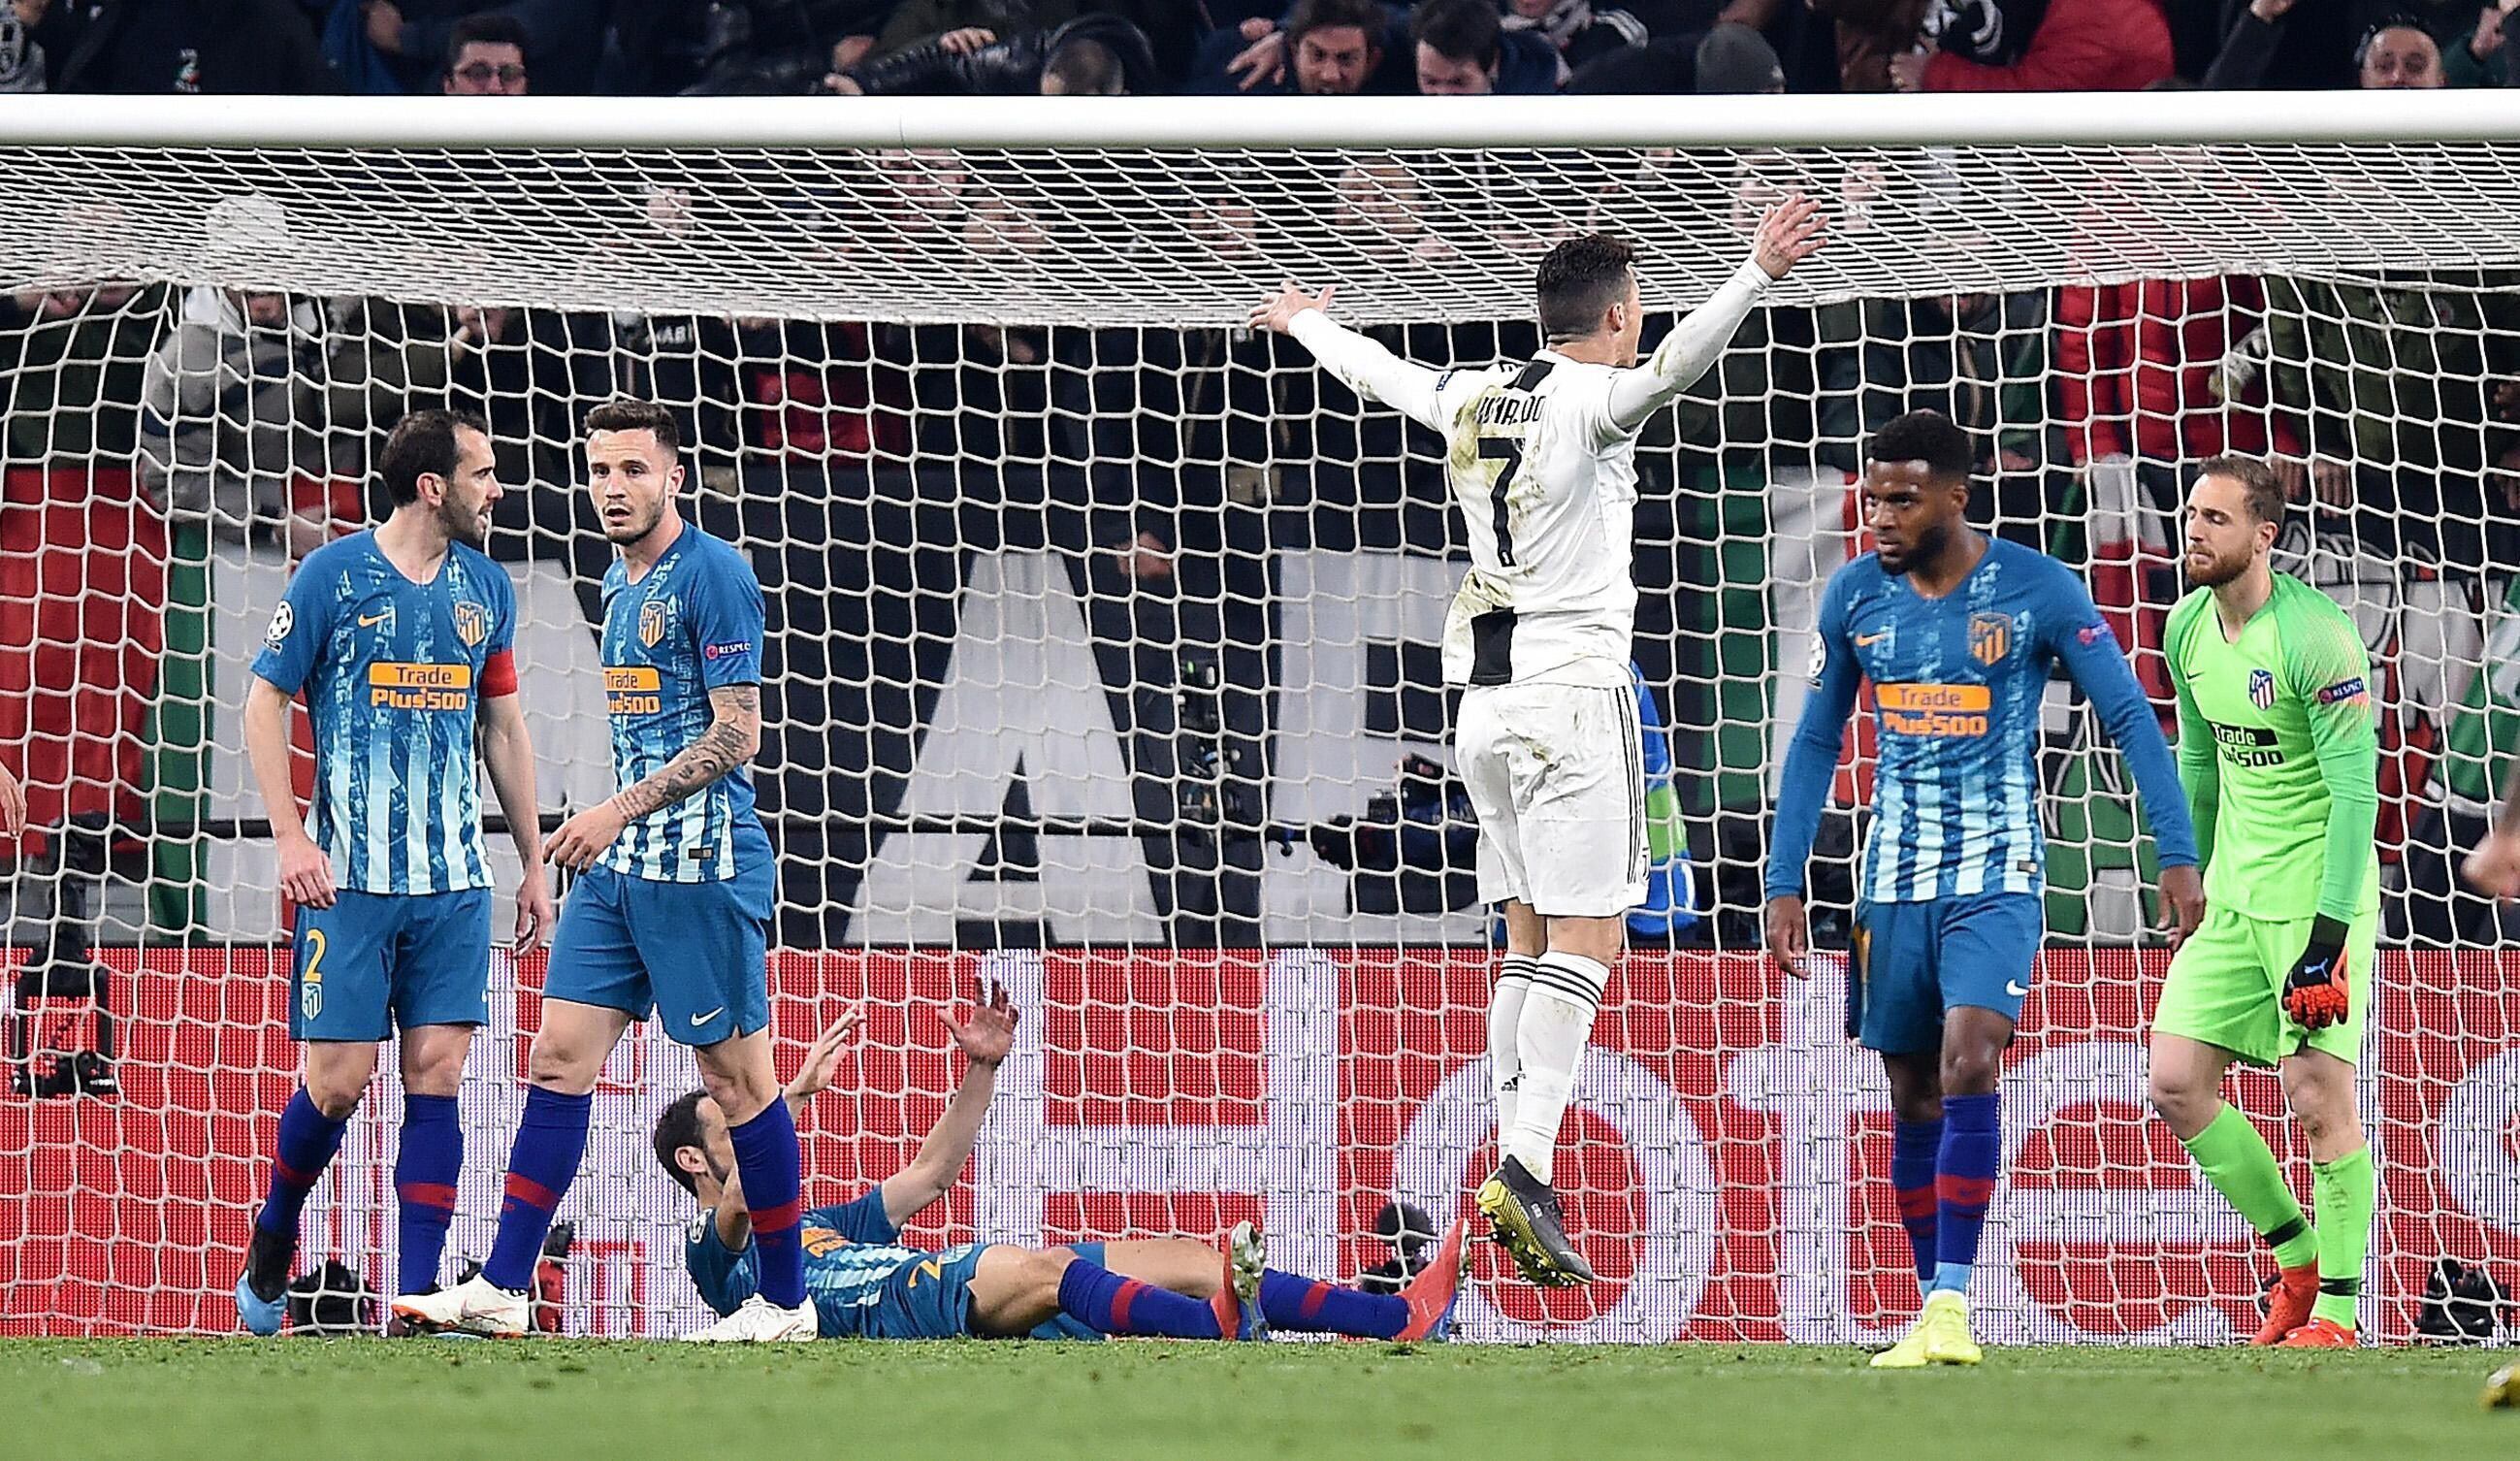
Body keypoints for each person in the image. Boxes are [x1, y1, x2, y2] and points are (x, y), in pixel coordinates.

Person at [1251, 199, 1826, 1287]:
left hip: (1480, 706)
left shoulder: (1477, 394)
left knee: (1525, 935)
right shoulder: (1595, 402)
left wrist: (1308, 325)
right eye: (1640, 315)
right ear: (1616, 318)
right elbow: (1673, 375)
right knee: (1592, 939)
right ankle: (1523, 1165)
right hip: (1571, 698)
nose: (1645, 332)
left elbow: (1387, 377)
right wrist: (1752, 273)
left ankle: (1514, 1167)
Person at [1763, 408, 2205, 1369]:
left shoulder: (2036, 588)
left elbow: (2127, 713)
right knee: (1912, 1092)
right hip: (1889, 886)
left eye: (1901, 499)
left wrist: (2176, 852)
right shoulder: (1855, 600)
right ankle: (1932, 1309)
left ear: (1955, 499)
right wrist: (1784, 876)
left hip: (1998, 876)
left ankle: (1954, 1307)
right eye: (1871, 496)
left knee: (1971, 1061)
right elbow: (1813, 741)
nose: (1879, 515)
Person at [392, 398, 802, 1342]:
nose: (614, 489)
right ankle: (503, 1284)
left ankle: (787, 1303)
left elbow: (738, 733)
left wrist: (614, 807)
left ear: (675, 479)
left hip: (700, 865)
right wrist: (611, 827)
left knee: (738, 1085)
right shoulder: (620, 585)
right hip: (621, 875)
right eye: (601, 472)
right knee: (557, 1060)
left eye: (634, 472)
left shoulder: (715, 577)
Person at [233, 409, 551, 1335]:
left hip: (453, 881)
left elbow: (503, 728)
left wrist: (532, 863)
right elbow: (263, 703)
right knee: (336, 1082)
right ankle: (274, 1231)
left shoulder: (486, 588)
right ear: (431, 486)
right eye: (484, 474)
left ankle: (412, 1301)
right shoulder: (333, 575)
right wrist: (292, 838)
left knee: (438, 1075)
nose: (497, 490)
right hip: (351, 880)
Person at [659, 991, 1470, 1344]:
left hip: (940, 1276)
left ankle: (1395, 1319)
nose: (744, 1122)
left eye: (744, 1115)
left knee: (1192, 1258)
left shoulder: (825, 1225)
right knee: (1048, 1268)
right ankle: (1215, 1326)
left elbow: (934, 1174)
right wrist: (789, 1095)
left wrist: (982, 1068)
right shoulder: (712, 1252)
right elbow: (741, 1201)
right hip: (904, 1304)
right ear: (693, 1156)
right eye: (727, 1121)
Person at [2147, 457, 2383, 1350]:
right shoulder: (2186, 630)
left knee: (2317, 1098)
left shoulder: (2316, 638)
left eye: (2214, 518)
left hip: (2318, 902)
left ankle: (2338, 1314)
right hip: (2237, 899)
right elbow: (2200, 760)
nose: (2194, 532)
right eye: (2189, 514)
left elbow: (2356, 792)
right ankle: (2298, 1258)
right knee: (2174, 1082)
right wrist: (2196, 871)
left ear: (2264, 536)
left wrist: (2328, 935)